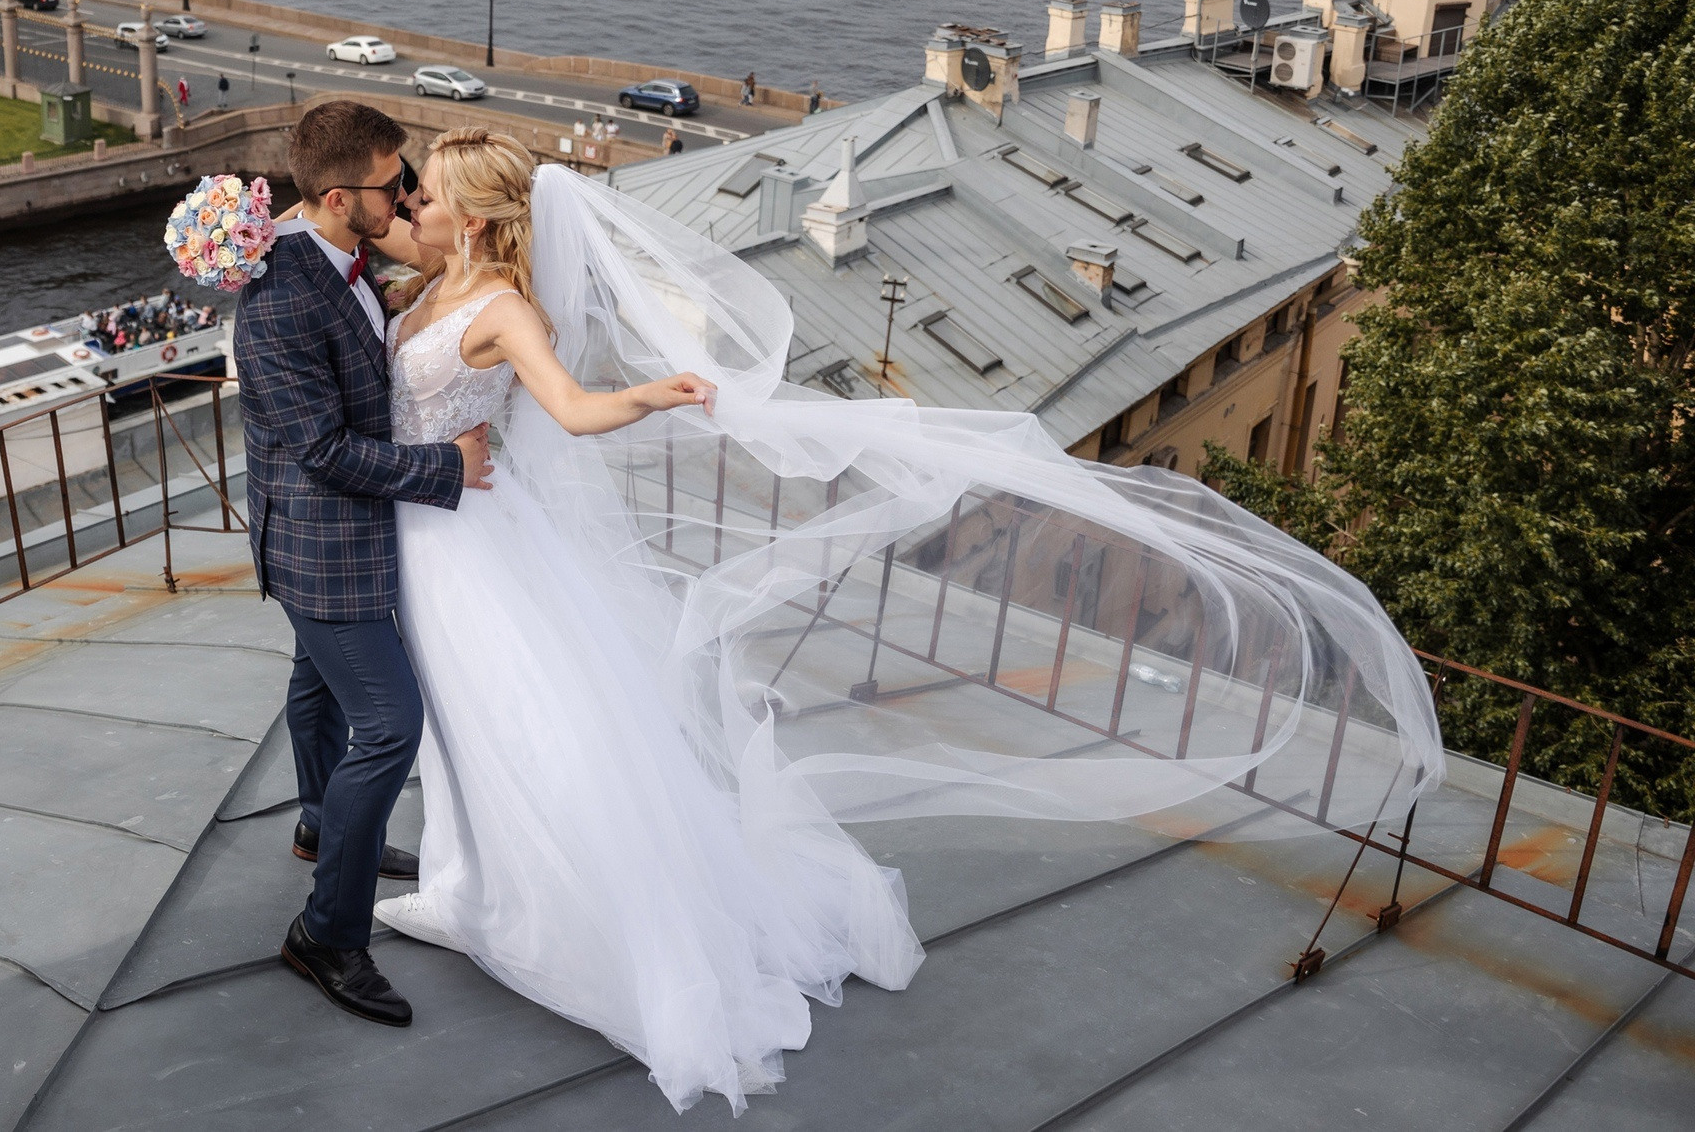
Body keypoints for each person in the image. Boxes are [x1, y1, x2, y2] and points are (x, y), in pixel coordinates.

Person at [346, 128, 1443, 1113]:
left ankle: (568, 928)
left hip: (473, 547)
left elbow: (576, 411)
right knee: (456, 730)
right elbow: (363, 253)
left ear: (477, 219)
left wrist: (654, 395)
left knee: (507, 726)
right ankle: (462, 886)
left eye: (428, 198)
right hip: (439, 531)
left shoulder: (499, 309)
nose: (410, 210)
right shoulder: (436, 283)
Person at [234, 101, 493, 1030]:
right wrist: (446, 468)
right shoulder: (278, 299)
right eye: (396, 182)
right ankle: (328, 934)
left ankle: (318, 823)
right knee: (389, 723)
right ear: (340, 196)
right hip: (321, 545)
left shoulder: (339, 257)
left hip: (333, 535)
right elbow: (325, 451)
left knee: (317, 687)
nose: (411, 192)